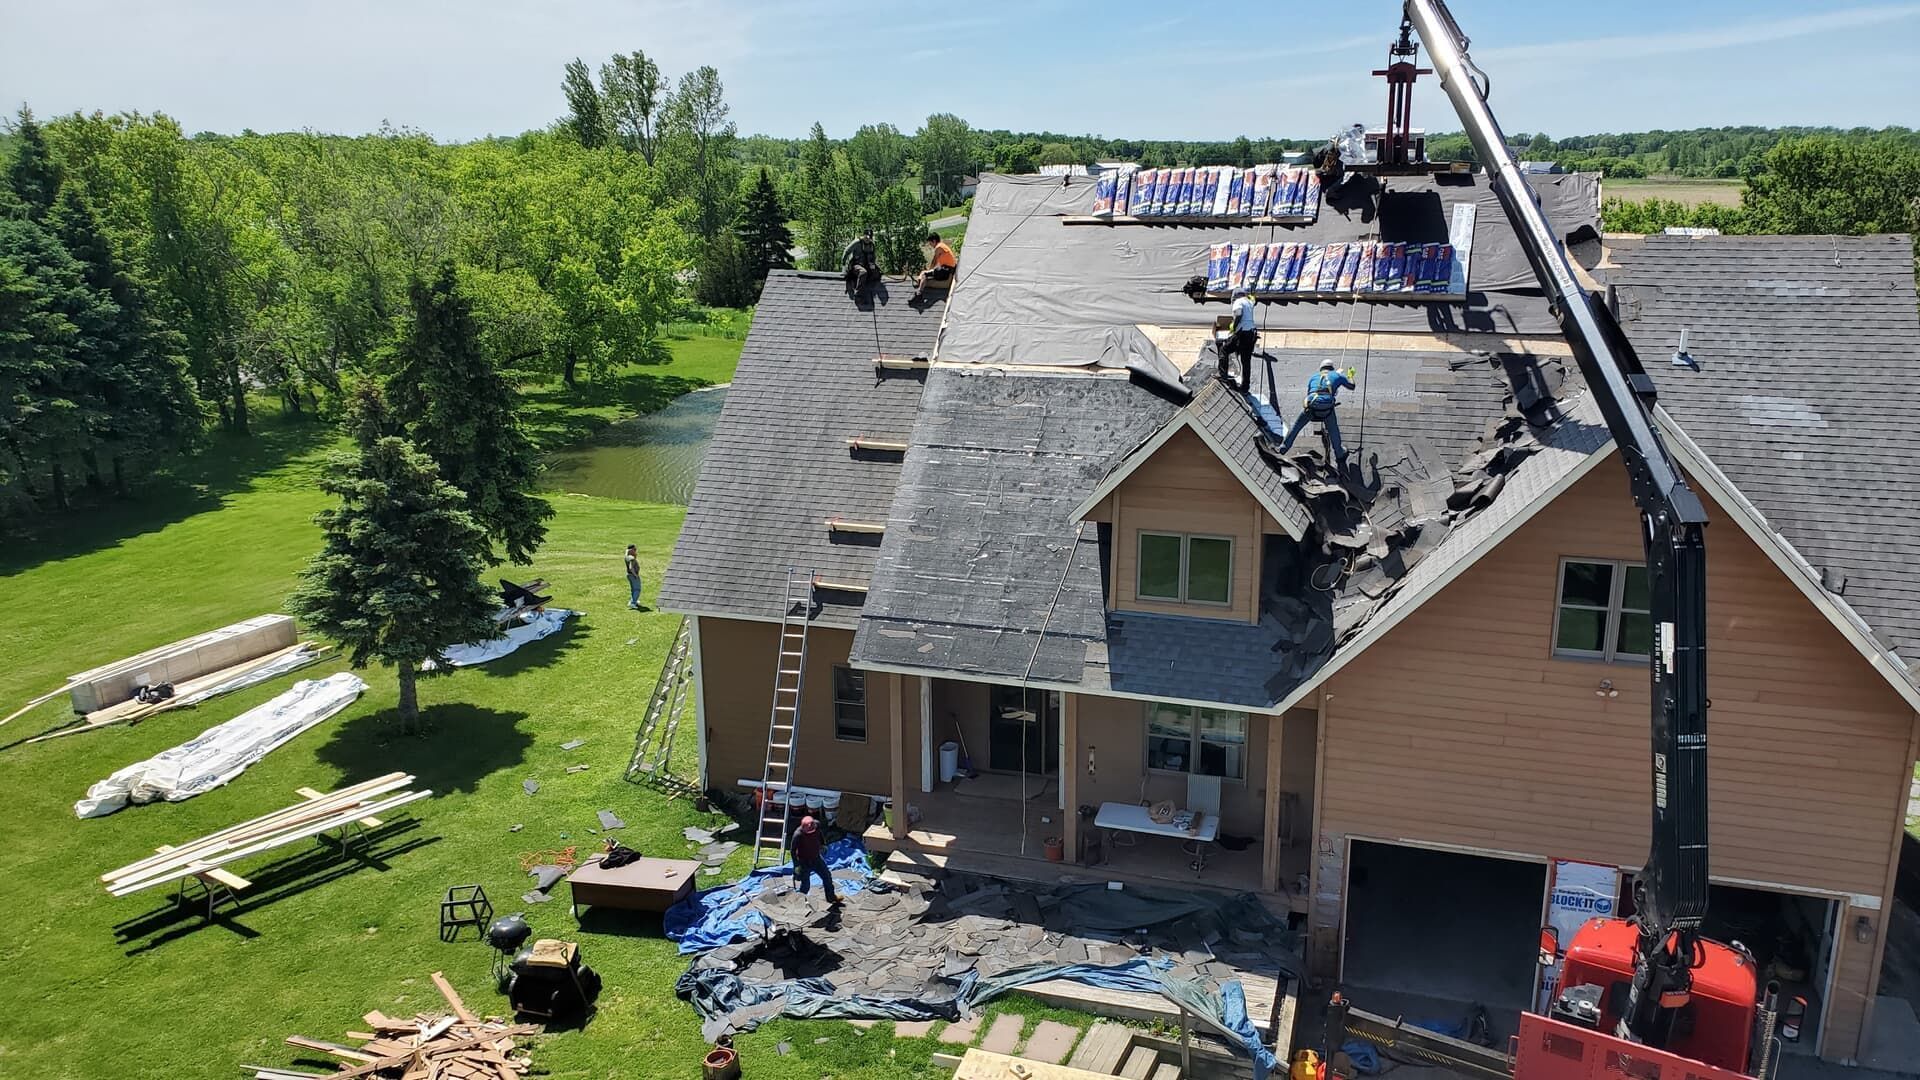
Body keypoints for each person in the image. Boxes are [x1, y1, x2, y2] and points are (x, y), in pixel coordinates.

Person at [1279, 359, 1358, 461]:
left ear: (1321, 369)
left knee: (1296, 426)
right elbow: (1352, 386)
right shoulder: (1337, 375)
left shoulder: (1313, 377)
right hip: (1326, 408)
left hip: (1312, 405)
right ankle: (1339, 452)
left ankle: (1283, 448)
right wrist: (1350, 375)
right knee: (1333, 429)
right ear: (1332, 368)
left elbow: (1310, 392)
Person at [789, 815, 839, 905]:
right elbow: (792, 851)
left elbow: (820, 834)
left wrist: (823, 844)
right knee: (805, 885)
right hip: (804, 862)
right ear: (803, 828)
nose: (811, 833)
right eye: (809, 832)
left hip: (816, 858)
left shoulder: (816, 825)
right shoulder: (798, 835)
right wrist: (796, 865)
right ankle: (799, 903)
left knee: (827, 877)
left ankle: (831, 898)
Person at [1221, 287, 1258, 391]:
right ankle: (1245, 387)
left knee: (1224, 350)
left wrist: (1234, 327)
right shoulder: (1249, 302)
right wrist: (1252, 295)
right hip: (1251, 334)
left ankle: (1223, 375)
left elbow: (1238, 314)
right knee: (1246, 361)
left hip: (1242, 333)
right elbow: (1253, 300)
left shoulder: (1238, 301)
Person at [843, 228, 878, 293]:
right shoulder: (857, 243)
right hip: (855, 265)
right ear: (864, 236)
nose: (868, 239)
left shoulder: (872, 245)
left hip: (866, 264)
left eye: (869, 238)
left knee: (876, 274)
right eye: (867, 237)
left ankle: (869, 290)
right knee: (863, 272)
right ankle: (858, 291)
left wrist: (873, 265)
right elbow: (846, 252)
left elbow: (873, 257)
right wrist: (844, 265)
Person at [624, 544, 643, 610]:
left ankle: (633, 600)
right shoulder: (631, 558)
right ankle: (633, 603)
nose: (635, 551)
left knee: (633, 589)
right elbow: (631, 567)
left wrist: (629, 551)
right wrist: (635, 575)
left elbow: (627, 553)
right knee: (637, 589)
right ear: (631, 550)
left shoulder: (627, 556)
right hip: (633, 575)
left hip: (629, 575)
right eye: (634, 550)